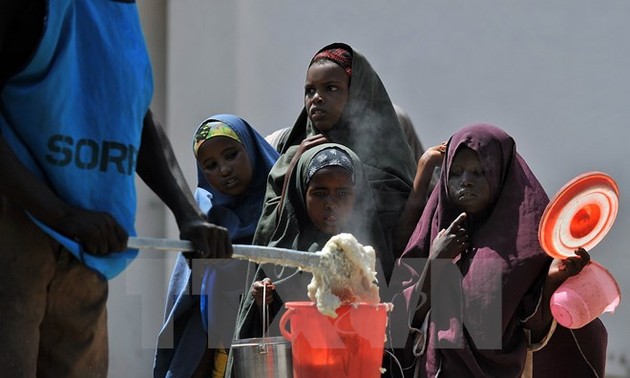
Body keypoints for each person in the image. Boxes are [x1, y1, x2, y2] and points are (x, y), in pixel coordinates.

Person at [0, 2, 231, 377]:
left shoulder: (119, 10)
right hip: (18, 225)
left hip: (89, 244)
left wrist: (189, 213)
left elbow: (135, 114)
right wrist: (62, 215)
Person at [395, 124, 600, 377]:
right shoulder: (433, 233)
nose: (465, 181)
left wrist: (553, 279)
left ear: (500, 174)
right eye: (456, 172)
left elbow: (534, 333)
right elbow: (398, 323)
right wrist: (436, 262)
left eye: (478, 172)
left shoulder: (525, 247)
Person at [255, 42, 418, 281]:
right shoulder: (291, 155)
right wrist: (296, 174)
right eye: (310, 91)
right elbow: (271, 232)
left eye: (331, 88)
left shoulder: (386, 155)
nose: (317, 98)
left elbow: (403, 234)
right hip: (296, 287)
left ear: (357, 93)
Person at [153, 114, 279, 377]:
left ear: (251, 148)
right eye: (210, 165)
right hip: (216, 352)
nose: (223, 170)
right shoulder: (203, 216)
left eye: (231, 155)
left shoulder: (281, 204)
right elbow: (188, 295)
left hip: (275, 349)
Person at [232, 143, 381, 343]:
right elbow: (260, 335)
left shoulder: (367, 253)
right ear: (302, 194)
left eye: (343, 193)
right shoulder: (279, 258)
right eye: (320, 194)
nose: (331, 203)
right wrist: (263, 303)